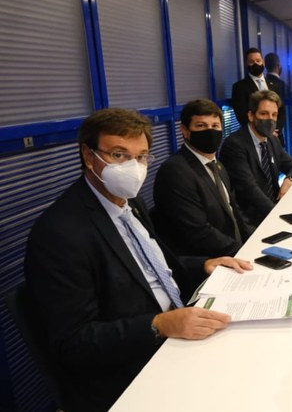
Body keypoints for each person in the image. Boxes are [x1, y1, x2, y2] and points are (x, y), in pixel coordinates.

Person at [24, 108, 252, 412]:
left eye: (141, 156)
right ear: (89, 156)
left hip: (174, 330)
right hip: (130, 368)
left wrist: (204, 264)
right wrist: (159, 324)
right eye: (119, 155)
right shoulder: (60, 233)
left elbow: (152, 266)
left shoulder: (130, 201)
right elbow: (73, 343)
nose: (133, 167)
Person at [153, 99, 255, 257]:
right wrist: (243, 253)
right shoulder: (175, 171)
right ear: (185, 131)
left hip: (235, 251)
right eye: (201, 126)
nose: (210, 131)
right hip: (209, 263)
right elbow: (198, 232)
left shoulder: (217, 165)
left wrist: (257, 239)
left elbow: (233, 210)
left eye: (215, 126)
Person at [219, 90, 292, 227]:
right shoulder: (234, 145)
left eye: (274, 115)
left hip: (274, 208)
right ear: (251, 115)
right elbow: (249, 189)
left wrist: (289, 180)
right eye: (264, 114)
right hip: (250, 220)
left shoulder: (272, 140)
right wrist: (278, 215)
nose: (270, 119)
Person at [264, 52, 287, 144]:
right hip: (277, 133)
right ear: (278, 65)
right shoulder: (282, 86)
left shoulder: (262, 84)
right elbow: (284, 111)